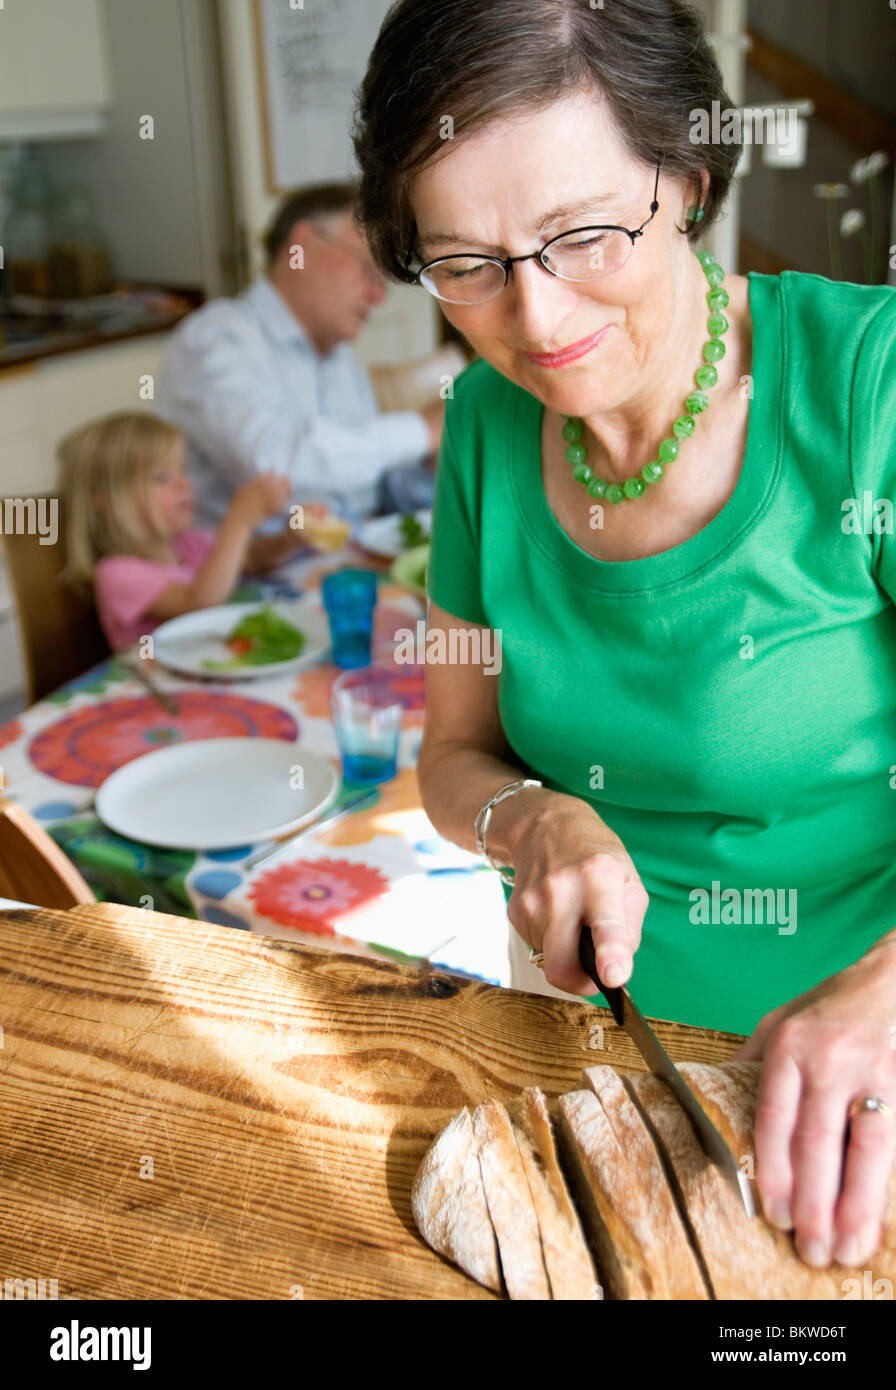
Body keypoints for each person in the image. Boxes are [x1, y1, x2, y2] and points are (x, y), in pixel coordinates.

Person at [352, 0, 896, 1270]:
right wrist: (527, 818)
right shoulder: (483, 424)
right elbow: (452, 757)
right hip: (575, 1048)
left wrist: (881, 999)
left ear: (687, 180)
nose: (535, 322)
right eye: (466, 265)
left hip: (852, 1065)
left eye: (582, 235)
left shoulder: (864, 387)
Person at [156, 182, 444, 528]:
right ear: (304, 245)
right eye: (368, 270)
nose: (377, 296)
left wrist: (428, 466)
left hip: (348, 566)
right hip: (253, 575)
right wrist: (423, 430)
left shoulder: (339, 360)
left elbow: (368, 488)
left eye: (382, 282)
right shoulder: (214, 338)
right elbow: (274, 463)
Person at [58, 411, 317, 653]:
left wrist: (288, 539)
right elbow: (200, 603)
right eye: (162, 477)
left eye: (183, 470)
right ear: (109, 501)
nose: (184, 483)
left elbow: (252, 560)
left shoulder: (189, 544)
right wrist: (239, 521)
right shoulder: (117, 573)